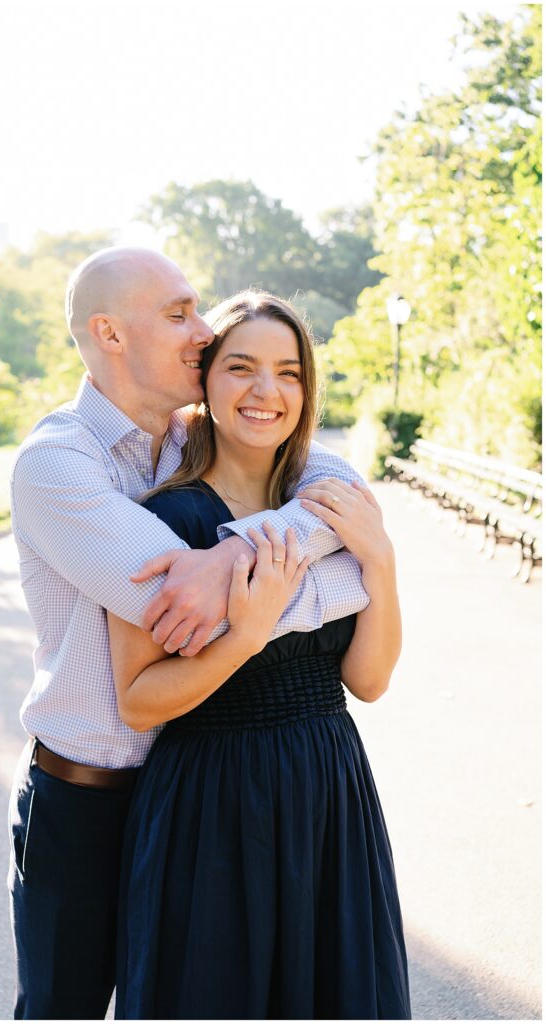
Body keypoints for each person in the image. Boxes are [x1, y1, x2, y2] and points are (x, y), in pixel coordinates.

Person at [8, 248, 370, 1020]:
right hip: (86, 798)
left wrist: (240, 549)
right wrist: (314, 578)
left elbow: (343, 489)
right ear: (108, 333)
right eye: (178, 314)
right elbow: (184, 603)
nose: (202, 331)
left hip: (190, 789)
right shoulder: (57, 464)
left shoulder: (188, 442)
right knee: (60, 1011)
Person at [111, 290, 411, 1020]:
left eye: (288, 372)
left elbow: (367, 682)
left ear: (306, 389)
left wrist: (382, 563)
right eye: (240, 367)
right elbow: (139, 697)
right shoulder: (163, 519)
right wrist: (245, 636)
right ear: (205, 381)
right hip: (211, 799)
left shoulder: (331, 508)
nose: (265, 392)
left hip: (328, 786)